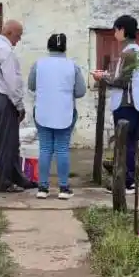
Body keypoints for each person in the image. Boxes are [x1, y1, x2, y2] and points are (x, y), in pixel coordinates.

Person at [92, 14, 139, 195]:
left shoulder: (129, 53)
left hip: (126, 105)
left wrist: (103, 77)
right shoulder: (134, 50)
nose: (114, 33)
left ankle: (127, 182)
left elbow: (122, 81)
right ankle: (128, 181)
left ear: (123, 30)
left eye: (116, 29)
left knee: (125, 144)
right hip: (131, 103)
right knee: (129, 143)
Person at [28, 33, 86, 200]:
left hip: (42, 111)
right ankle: (63, 188)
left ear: (48, 47)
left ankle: (43, 188)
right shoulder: (72, 66)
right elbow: (81, 91)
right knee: (62, 149)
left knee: (45, 148)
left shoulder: (38, 65)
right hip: (65, 111)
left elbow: (31, 86)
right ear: (65, 47)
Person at [0, 19, 36, 193]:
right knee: (8, 144)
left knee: (8, 142)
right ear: (9, 33)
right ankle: (4, 182)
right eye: (18, 36)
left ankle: (17, 177)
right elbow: (12, 81)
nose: (18, 40)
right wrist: (19, 105)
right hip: (4, 99)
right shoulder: (5, 50)